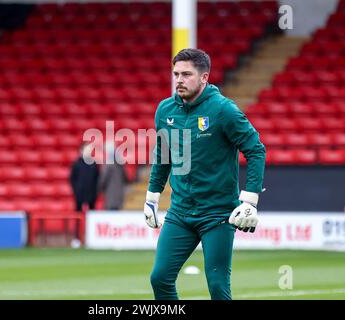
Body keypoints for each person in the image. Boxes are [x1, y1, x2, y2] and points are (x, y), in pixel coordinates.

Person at [144, 48, 266, 300]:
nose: (179, 79)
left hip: (218, 213)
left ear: (204, 77)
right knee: (159, 278)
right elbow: (163, 157)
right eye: (176, 73)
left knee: (217, 285)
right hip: (180, 212)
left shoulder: (223, 110)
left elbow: (255, 150)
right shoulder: (165, 110)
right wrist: (152, 197)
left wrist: (249, 201)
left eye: (186, 74)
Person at [98, 142, 129, 210]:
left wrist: (99, 188)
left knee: (111, 213)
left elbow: (103, 179)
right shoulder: (121, 164)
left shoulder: (108, 164)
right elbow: (126, 178)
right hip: (119, 195)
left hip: (110, 195)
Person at [70, 143, 100, 212]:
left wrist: (95, 191)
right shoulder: (76, 164)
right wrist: (76, 190)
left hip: (91, 194)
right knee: (78, 213)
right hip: (80, 194)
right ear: (81, 151)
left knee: (92, 214)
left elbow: (97, 178)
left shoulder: (94, 164)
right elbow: (72, 179)